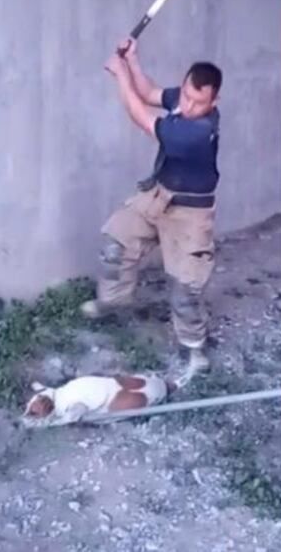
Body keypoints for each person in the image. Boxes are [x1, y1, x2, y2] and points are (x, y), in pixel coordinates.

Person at [81, 37, 223, 380]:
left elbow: (141, 116)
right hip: (158, 195)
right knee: (116, 244)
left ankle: (194, 348)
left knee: (185, 288)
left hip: (190, 212)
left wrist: (119, 75)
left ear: (214, 101)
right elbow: (150, 94)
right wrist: (132, 61)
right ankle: (113, 301)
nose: (188, 105)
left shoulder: (199, 130)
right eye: (187, 95)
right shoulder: (183, 100)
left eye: (198, 102)